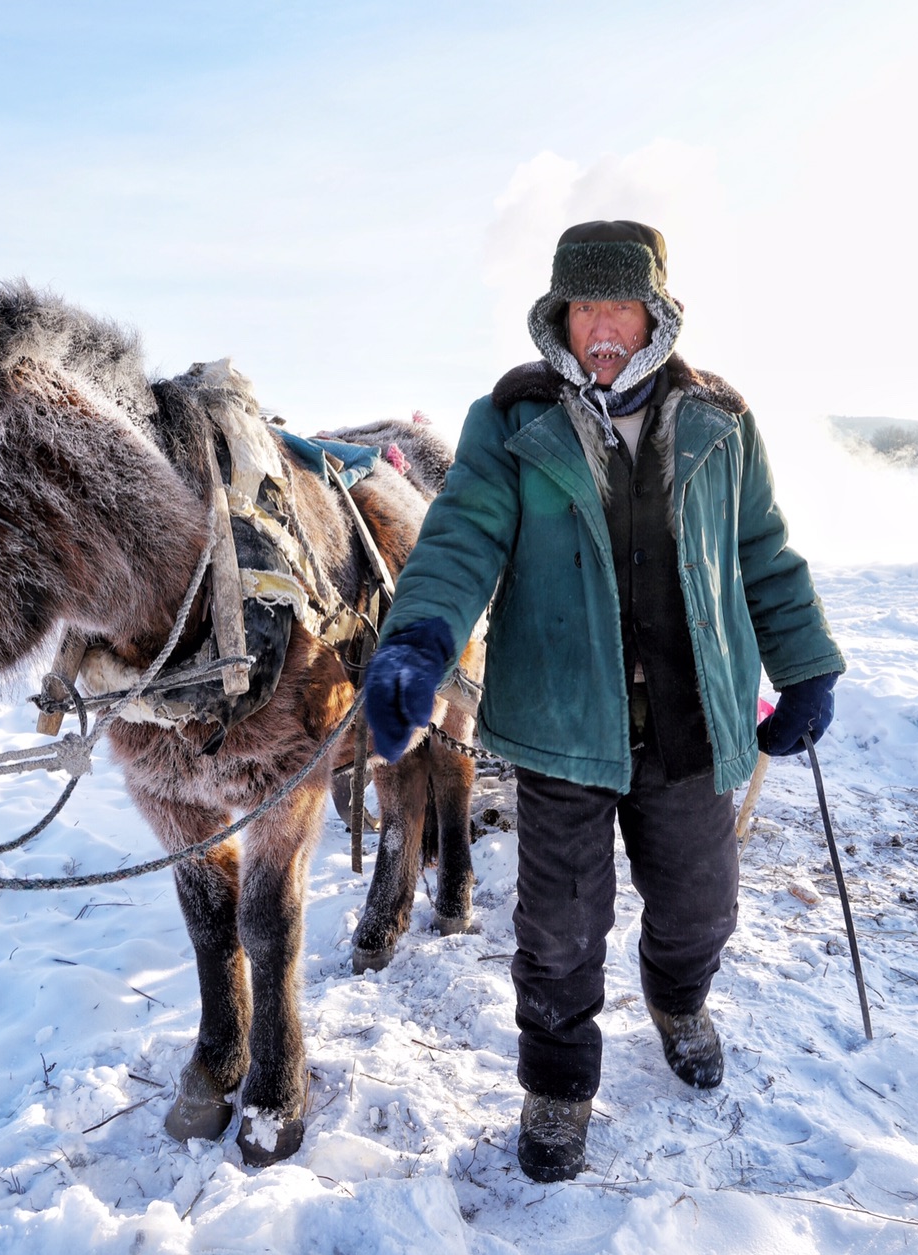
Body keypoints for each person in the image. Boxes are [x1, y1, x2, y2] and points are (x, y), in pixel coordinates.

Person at [361, 219, 845, 1183]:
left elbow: (763, 554)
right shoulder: (511, 421)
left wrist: (806, 664)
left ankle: (677, 999)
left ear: (656, 312)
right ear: (560, 316)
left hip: (690, 721)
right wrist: (420, 636)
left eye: (621, 305)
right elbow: (460, 541)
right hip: (560, 723)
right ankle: (556, 1085)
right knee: (559, 928)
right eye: (586, 308)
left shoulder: (721, 421)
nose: (603, 328)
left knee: (700, 908)